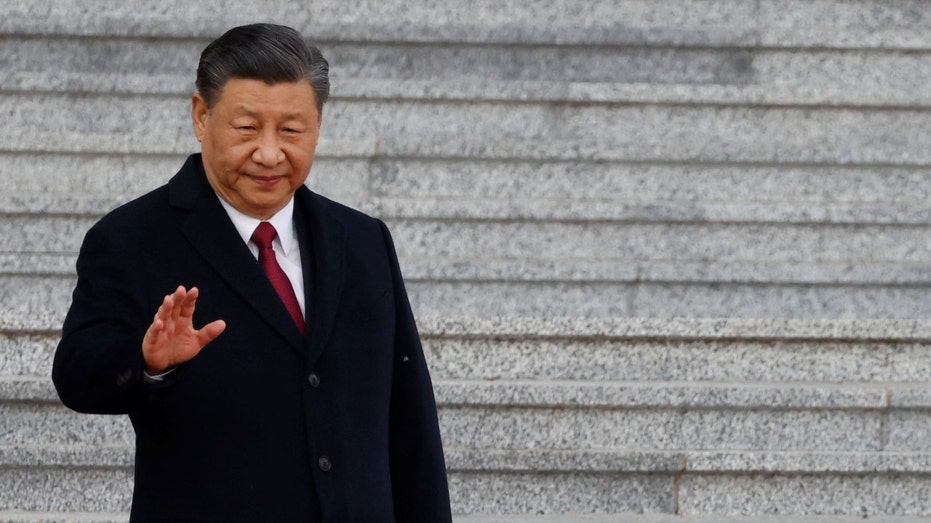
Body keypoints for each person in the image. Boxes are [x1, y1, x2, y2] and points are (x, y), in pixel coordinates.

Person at [52, 23, 452, 522]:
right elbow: (76, 375)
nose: (268, 153)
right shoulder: (131, 239)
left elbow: (410, 421)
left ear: (318, 126)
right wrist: (149, 361)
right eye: (247, 129)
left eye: (290, 130)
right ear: (202, 116)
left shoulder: (363, 240)